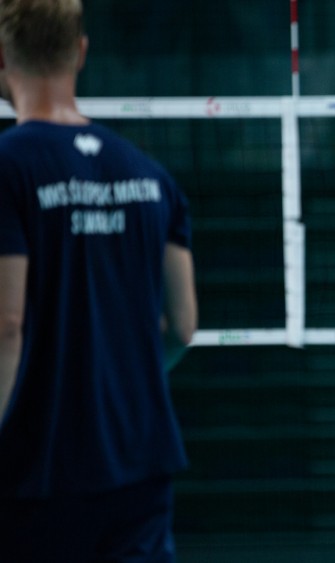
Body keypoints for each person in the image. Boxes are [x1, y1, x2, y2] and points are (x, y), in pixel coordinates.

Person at [0, 1, 198, 561]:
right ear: (81, 52)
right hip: (139, 464)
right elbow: (182, 327)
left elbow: (7, 325)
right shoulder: (151, 176)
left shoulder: (8, 167)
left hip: (36, 473)